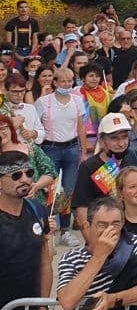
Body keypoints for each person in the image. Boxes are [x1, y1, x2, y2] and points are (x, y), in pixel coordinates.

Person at [0, 149, 52, 310]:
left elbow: (45, 261)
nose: (25, 179)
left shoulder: (36, 209)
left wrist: (43, 309)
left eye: (29, 173)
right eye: (16, 175)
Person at [71, 111, 137, 232]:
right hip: (105, 231)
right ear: (102, 141)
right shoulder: (88, 168)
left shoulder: (135, 158)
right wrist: (91, 240)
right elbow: (82, 208)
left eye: (124, 137)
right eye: (114, 138)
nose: (121, 143)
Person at [34, 68, 87, 236]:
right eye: (63, 81)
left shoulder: (77, 100)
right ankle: (47, 229)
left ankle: (65, 230)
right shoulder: (43, 102)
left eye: (70, 81)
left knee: (68, 190)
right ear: (55, 82)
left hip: (71, 148)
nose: (67, 84)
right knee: (50, 190)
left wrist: (83, 151)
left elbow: (80, 127)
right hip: (50, 149)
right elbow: (36, 126)